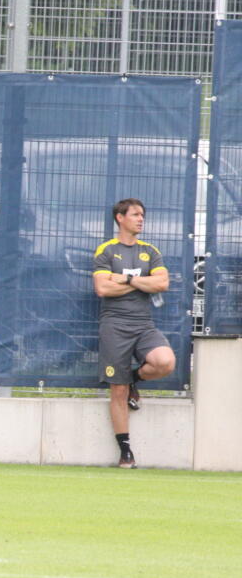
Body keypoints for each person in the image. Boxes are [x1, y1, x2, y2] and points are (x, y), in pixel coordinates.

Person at [92, 198, 176, 468]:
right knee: (117, 390)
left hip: (143, 324)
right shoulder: (106, 250)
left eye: (143, 215)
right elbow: (103, 289)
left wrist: (127, 279)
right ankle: (125, 450)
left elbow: (162, 283)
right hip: (114, 325)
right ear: (120, 217)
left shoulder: (150, 251)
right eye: (135, 214)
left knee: (165, 362)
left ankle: (134, 381)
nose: (140, 219)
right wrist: (143, 283)